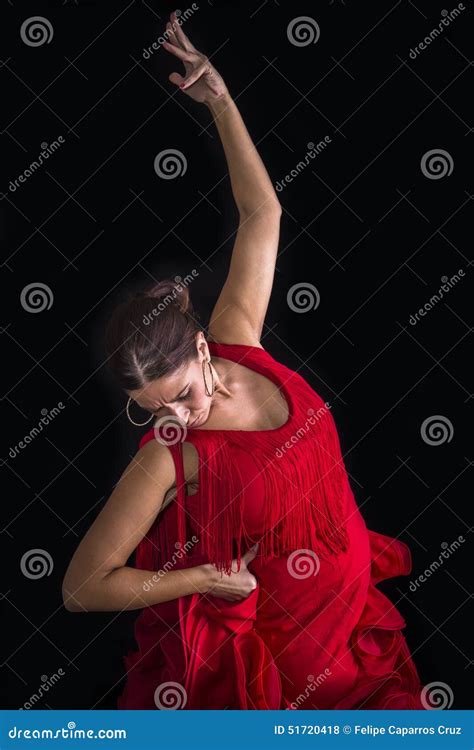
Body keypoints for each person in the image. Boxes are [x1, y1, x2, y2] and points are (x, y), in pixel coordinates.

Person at [62, 11, 424, 710]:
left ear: (203, 347)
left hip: (347, 596)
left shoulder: (237, 333)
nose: (173, 418)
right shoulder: (167, 456)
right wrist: (198, 580)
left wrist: (221, 102)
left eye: (182, 395)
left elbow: (263, 215)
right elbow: (80, 587)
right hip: (289, 650)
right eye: (150, 407)